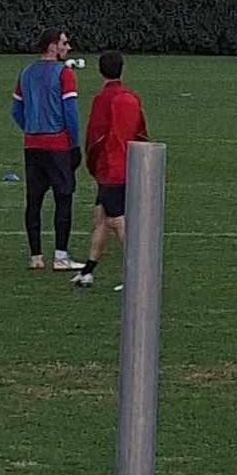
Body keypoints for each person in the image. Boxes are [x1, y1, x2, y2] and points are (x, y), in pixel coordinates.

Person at [12, 28, 85, 271]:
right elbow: (71, 114)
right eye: (64, 43)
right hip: (57, 144)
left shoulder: (25, 72)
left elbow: (16, 111)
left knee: (34, 200)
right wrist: (74, 144)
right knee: (63, 198)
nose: (68, 47)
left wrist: (31, 127)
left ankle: (35, 256)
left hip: (32, 144)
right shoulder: (63, 73)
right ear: (52, 46)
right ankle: (61, 256)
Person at [75, 51, 150, 288]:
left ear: (100, 70)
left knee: (117, 220)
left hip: (110, 167)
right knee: (100, 217)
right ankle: (88, 271)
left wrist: (92, 164)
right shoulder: (132, 98)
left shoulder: (103, 99)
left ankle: (140, 273)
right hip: (129, 164)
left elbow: (94, 137)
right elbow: (141, 132)